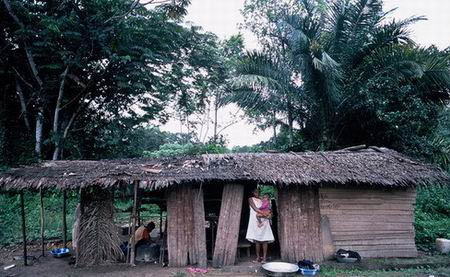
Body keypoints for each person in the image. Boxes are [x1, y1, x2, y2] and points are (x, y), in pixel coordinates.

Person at [245, 188, 274, 263]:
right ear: (252, 192)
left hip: (264, 220)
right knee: (257, 239)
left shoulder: (263, 200)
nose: (257, 193)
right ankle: (258, 258)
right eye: (255, 192)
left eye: (258, 192)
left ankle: (264, 258)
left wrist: (269, 214)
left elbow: (269, 210)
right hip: (255, 220)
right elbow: (255, 209)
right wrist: (264, 214)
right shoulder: (250, 199)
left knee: (265, 239)